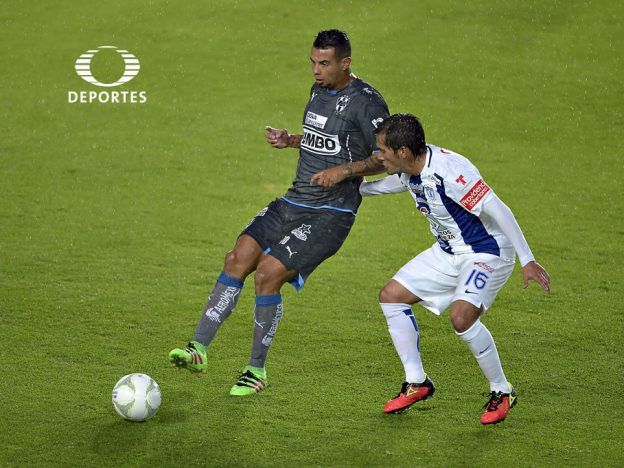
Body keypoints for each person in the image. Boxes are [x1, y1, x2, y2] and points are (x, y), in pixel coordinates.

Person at [168, 29, 389, 396]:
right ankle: (198, 350)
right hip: (294, 200)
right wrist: (292, 141)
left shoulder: (368, 103)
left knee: (267, 274)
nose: (316, 70)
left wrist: (344, 171)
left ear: (345, 63)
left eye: (324, 63)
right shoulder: (319, 90)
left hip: (331, 213)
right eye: (313, 62)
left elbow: (388, 157)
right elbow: (328, 140)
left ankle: (256, 371)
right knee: (237, 257)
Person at [358, 114, 550, 424]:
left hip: (486, 252)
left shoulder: (451, 172)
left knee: (462, 318)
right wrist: (361, 190)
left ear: (403, 151)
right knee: (391, 297)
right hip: (448, 252)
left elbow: (499, 210)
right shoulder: (411, 167)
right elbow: (402, 183)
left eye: (383, 150)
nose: (379, 156)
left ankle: (502, 391)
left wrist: (527, 259)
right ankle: (417, 382)